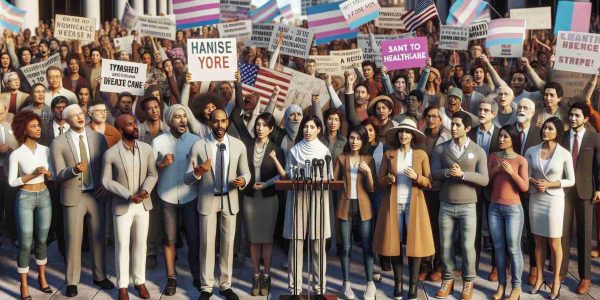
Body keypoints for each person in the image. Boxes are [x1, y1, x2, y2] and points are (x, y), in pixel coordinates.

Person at [184, 109, 250, 300]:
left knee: (228, 244)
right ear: (210, 122)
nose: (220, 126)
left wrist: (242, 180)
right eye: (216, 122)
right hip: (207, 199)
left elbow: (246, 172)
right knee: (206, 244)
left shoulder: (238, 145)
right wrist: (197, 173)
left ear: (227, 121)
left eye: (223, 121)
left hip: (230, 199)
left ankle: (226, 285)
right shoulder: (199, 146)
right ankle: (206, 287)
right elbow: (187, 178)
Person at [50, 104, 113, 297]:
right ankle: (71, 281)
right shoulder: (58, 142)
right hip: (73, 196)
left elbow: (105, 165)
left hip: (96, 195)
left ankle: (99, 276)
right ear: (66, 120)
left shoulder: (98, 138)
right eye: (73, 115)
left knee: (98, 237)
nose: (79, 117)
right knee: (73, 240)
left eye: (80, 114)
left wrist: (105, 185)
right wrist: (74, 170)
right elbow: (58, 174)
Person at [431, 111, 489, 300]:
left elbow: (484, 179)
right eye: (452, 124)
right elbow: (433, 172)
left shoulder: (478, 150)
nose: (454, 128)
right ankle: (447, 280)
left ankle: (468, 283)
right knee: (446, 244)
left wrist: (463, 175)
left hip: (468, 206)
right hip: (446, 203)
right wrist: (448, 172)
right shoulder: (441, 149)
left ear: (467, 128)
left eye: (457, 125)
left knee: (467, 246)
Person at [373, 119, 433, 300]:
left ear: (413, 135)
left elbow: (429, 183)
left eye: (407, 132)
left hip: (414, 204)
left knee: (415, 245)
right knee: (394, 243)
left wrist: (417, 177)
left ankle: (413, 286)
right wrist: (389, 179)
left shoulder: (421, 154)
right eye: (401, 132)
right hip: (393, 203)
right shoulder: (389, 154)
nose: (403, 135)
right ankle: (398, 282)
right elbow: (380, 180)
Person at [101, 114, 158, 300]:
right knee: (122, 245)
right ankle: (123, 286)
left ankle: (140, 282)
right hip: (122, 206)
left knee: (141, 244)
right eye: (130, 124)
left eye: (135, 122)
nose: (135, 126)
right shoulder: (110, 153)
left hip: (143, 205)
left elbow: (153, 174)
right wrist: (128, 195)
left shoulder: (147, 148)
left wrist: (145, 191)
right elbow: (105, 181)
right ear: (120, 129)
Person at [152, 104, 202, 295]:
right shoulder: (159, 141)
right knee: (169, 239)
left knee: (193, 239)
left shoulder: (196, 140)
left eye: (184, 116)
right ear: (169, 120)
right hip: (167, 197)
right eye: (177, 117)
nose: (182, 120)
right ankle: (171, 278)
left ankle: (196, 276)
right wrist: (161, 163)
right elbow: (150, 170)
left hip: (191, 196)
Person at [524, 117, 575, 299]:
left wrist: (550, 184)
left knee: (554, 242)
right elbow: (526, 174)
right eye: (544, 128)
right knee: (538, 242)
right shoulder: (532, 150)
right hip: (536, 198)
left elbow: (571, 180)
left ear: (558, 132)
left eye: (550, 128)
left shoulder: (564, 154)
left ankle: (556, 281)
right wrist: (533, 181)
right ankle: (539, 278)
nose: (545, 131)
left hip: (554, 201)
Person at [8, 111, 54, 300]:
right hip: (25, 197)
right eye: (33, 126)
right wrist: (32, 175)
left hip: (44, 195)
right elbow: (12, 182)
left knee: (42, 240)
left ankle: (42, 277)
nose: (38, 128)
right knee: (26, 242)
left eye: (38, 125)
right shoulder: (16, 154)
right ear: (23, 129)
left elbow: (51, 173)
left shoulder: (45, 150)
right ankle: (24, 285)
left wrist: (48, 174)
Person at [284, 115, 332, 295]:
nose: (308, 130)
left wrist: (317, 178)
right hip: (298, 199)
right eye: (305, 127)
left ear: (319, 130)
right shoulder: (294, 150)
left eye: (312, 127)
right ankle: (294, 289)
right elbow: (289, 173)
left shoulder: (324, 151)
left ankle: (320, 289)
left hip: (318, 199)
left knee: (318, 245)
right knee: (296, 245)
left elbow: (329, 175)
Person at [242, 112, 286, 296]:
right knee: (253, 239)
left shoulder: (276, 148)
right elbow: (241, 168)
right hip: (250, 198)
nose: (260, 128)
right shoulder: (247, 145)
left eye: (264, 125)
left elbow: (283, 176)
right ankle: (256, 275)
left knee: (267, 240)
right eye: (258, 124)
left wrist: (266, 184)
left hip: (268, 198)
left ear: (271, 129)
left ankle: (266, 276)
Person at [559, 103, 600, 294]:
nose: (573, 118)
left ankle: (585, 277)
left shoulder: (594, 138)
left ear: (585, 119)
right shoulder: (562, 137)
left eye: (577, 115)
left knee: (584, 235)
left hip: (585, 191)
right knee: (563, 232)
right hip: (564, 192)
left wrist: (598, 188)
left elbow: (598, 166)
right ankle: (561, 272)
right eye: (571, 115)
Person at [333, 125, 377, 300]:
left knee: (367, 246)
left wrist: (368, 173)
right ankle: (346, 284)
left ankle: (370, 284)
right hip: (344, 205)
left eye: (358, 138)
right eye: (352, 138)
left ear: (363, 140)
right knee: (345, 247)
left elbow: (372, 188)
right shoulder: (341, 158)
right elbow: (333, 182)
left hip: (364, 206)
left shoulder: (369, 159)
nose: (354, 141)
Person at [487, 124, 529, 300]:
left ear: (513, 139)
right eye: (500, 136)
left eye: (505, 136)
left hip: (513, 210)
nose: (501, 139)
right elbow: (486, 181)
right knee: (498, 248)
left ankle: (517, 287)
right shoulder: (493, 156)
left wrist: (511, 172)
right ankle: (501, 285)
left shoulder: (520, 160)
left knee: (513, 248)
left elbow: (525, 187)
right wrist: (496, 170)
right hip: (494, 208)